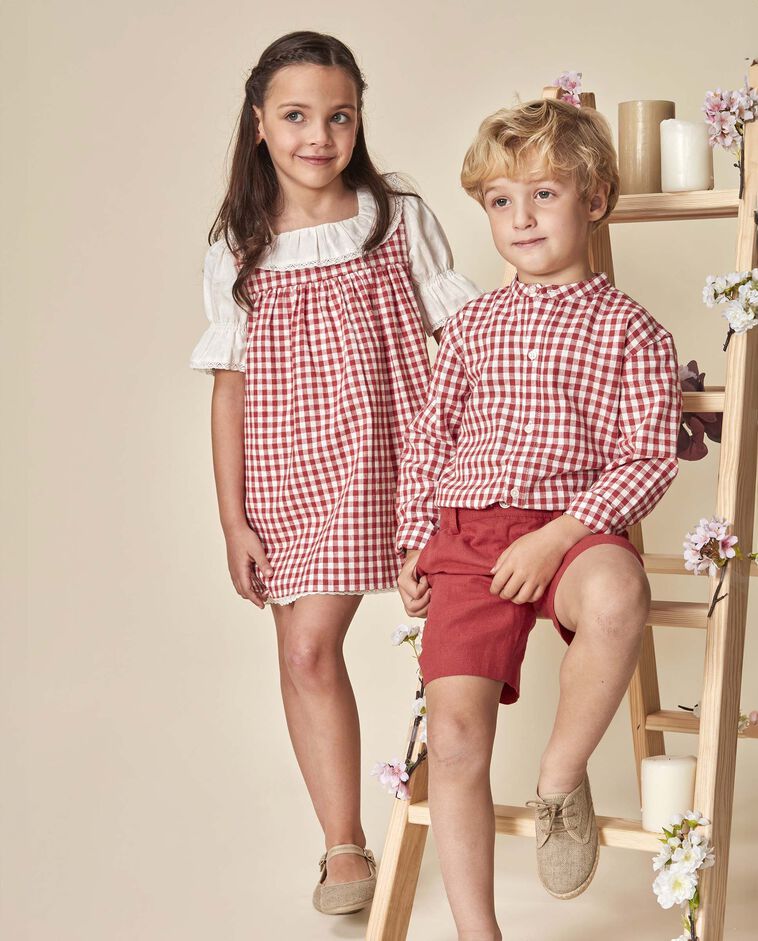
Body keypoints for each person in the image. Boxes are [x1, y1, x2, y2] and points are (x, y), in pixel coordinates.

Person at [189, 30, 480, 916]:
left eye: (339, 116)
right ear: (259, 123)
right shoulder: (238, 246)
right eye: (296, 116)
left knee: (387, 641)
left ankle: (481, 806)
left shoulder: (394, 218)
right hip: (290, 469)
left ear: (359, 120)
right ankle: (343, 844)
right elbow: (230, 388)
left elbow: (462, 338)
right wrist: (233, 519)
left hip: (396, 456)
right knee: (303, 650)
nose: (319, 136)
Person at [395, 98, 681, 940]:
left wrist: (558, 536)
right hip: (469, 535)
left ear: (595, 199)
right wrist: (416, 536)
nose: (520, 218)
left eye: (544, 195)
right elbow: (430, 438)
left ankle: (560, 776)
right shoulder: (472, 325)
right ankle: (477, 932)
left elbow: (647, 457)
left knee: (618, 590)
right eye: (500, 201)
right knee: (453, 738)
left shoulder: (633, 331)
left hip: (572, 530)